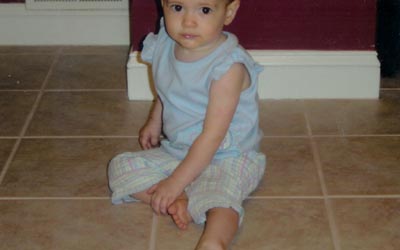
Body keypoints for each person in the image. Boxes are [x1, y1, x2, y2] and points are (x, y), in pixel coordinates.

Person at [108, 0, 266, 249]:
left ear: (229, 12)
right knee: (120, 167)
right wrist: (154, 119)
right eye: (178, 7)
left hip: (228, 156)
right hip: (180, 150)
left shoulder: (228, 67)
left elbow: (213, 136)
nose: (188, 21)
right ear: (164, 5)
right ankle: (179, 199)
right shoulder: (165, 43)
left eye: (204, 10)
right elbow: (168, 88)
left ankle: (213, 241)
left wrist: (175, 181)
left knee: (221, 200)